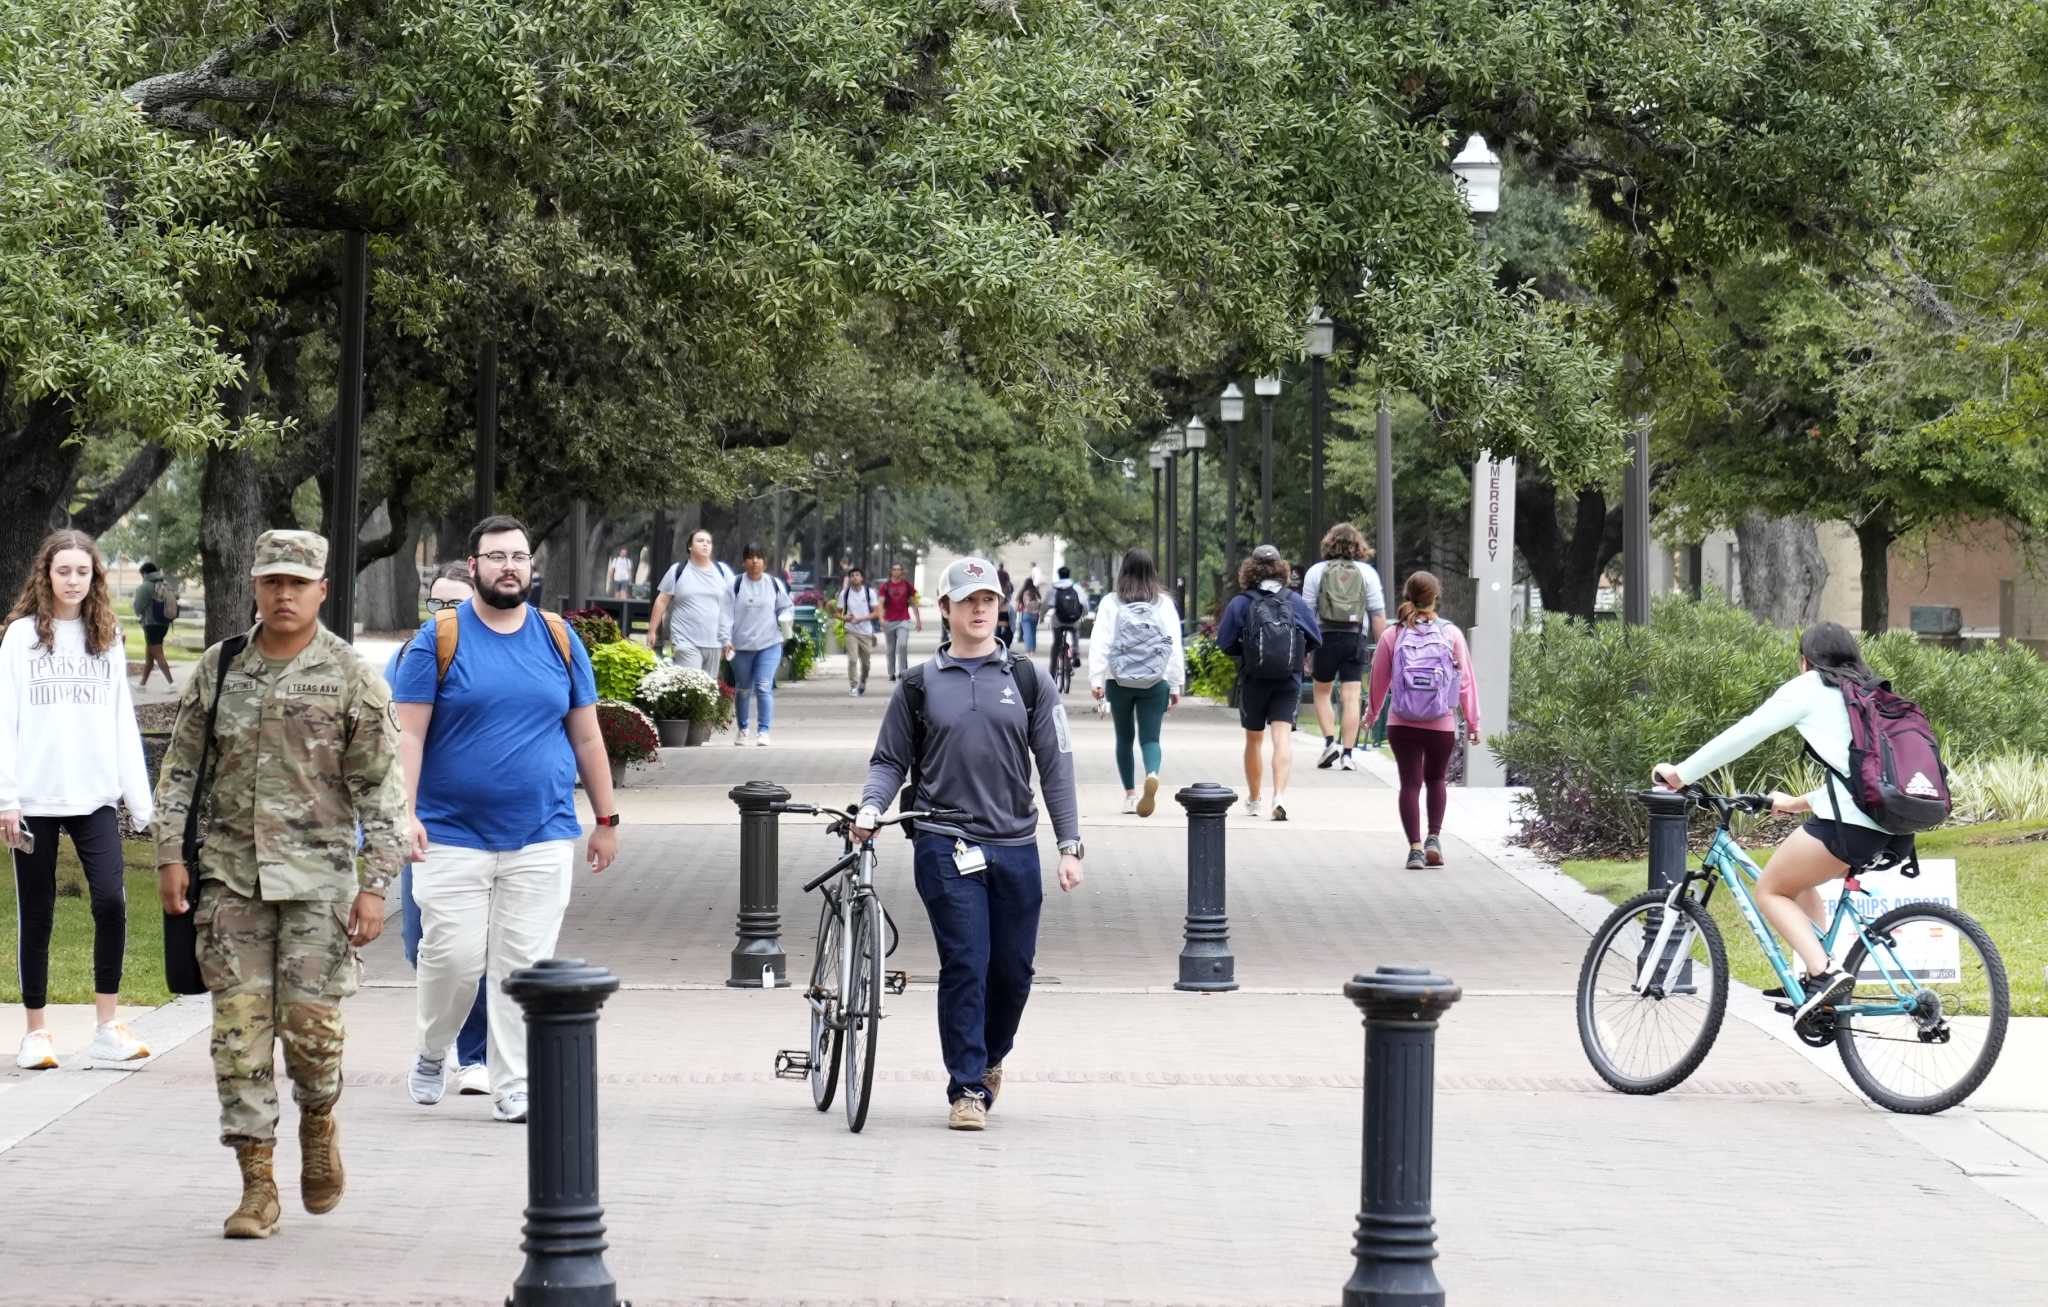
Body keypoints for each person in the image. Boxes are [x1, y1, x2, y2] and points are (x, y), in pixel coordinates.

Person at [152, 529, 407, 1239]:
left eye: (298, 582)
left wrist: (375, 883)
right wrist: (170, 853)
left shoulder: (351, 674)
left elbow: (383, 790)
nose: (284, 593)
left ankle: (320, 1119)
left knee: (312, 1035)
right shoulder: (221, 665)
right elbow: (180, 768)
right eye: (272, 581)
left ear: (323, 589)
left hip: (318, 885)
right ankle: (257, 1185)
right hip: (229, 880)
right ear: (256, 587)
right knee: (237, 1039)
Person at [393, 515, 621, 1124]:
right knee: (453, 959)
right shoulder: (437, 640)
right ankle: (433, 1049)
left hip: (541, 833)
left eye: (519, 556)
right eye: (496, 557)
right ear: (474, 568)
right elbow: (407, 738)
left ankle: (512, 1079)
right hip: (450, 834)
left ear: (531, 567)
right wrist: (404, 814)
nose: (509, 567)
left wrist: (607, 817)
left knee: (522, 965)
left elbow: (588, 737)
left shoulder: (559, 640)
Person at [854, 556, 1083, 1132]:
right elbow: (889, 760)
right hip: (943, 839)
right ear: (946, 609)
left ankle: (992, 1055)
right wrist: (872, 806)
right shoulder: (917, 685)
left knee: (1014, 971)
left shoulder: (1029, 680)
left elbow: (1056, 764)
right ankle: (967, 1088)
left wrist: (1070, 843)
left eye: (988, 600)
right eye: (968, 601)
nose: (980, 610)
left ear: (999, 608)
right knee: (966, 960)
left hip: (1015, 843)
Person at [1650, 621, 1913, 1025]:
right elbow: (1862, 778)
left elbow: (1745, 733)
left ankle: (1824, 973)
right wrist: (1796, 803)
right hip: (1894, 828)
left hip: (1850, 827)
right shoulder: (1868, 692)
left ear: (1805, 660)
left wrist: (1681, 773)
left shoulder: (1810, 686)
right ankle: (1815, 980)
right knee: (1799, 880)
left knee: (1771, 889)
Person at [2, 530, 155, 1070]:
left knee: (111, 901)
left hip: (93, 796)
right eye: (62, 570)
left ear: (94, 578)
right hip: (34, 800)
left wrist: (140, 801)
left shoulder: (106, 638)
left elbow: (121, 721)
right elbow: (5, 720)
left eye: (82, 571)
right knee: (37, 914)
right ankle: (36, 1032)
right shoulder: (21, 637)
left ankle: (106, 1026)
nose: (72, 580)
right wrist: (7, 799)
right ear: (46, 574)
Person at [382, 565, 489, 1098]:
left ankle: (474, 1056)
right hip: (419, 823)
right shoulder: (405, 659)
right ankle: (437, 1038)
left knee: (474, 947)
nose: (444, 615)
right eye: (436, 604)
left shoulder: (490, 658)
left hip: (477, 829)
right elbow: (380, 743)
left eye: (455, 604)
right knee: (421, 942)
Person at [1367, 572, 1479, 870]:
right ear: (1435, 597)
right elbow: (1465, 682)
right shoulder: (1451, 633)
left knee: (1410, 784)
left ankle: (1415, 849)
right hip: (1441, 722)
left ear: (1407, 596)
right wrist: (1473, 722)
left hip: (1401, 722)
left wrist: (1371, 714)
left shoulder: (1393, 634)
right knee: (1436, 779)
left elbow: (1379, 679)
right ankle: (1434, 839)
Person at [1216, 545, 1320, 821]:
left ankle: (1254, 799)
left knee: (1254, 739)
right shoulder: (1294, 601)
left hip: (1253, 679)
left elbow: (1224, 643)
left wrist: (1247, 652)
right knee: (1282, 737)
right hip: (1288, 678)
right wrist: (1294, 653)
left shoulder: (1241, 602)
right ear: (1281, 568)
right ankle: (1280, 796)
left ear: (1249, 569)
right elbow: (1315, 638)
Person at [1087, 549, 1184, 817]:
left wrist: (1097, 679)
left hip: (1119, 680)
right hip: (1155, 680)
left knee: (1124, 737)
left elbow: (1101, 642)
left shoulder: (1110, 602)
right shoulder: (1163, 603)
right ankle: (1152, 773)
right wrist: (1175, 684)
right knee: (1151, 738)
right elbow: (1172, 644)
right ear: (1153, 572)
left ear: (1123, 572)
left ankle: (1130, 795)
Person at [1302, 524, 1388, 772]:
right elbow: (1378, 615)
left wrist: (1306, 650)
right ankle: (1348, 755)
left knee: (1322, 692)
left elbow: (1307, 613)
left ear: (1328, 544)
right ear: (1358, 546)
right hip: (1354, 639)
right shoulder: (1367, 573)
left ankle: (1330, 743)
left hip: (1324, 638)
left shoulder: (1316, 572)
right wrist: (1384, 651)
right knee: (1351, 697)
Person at [730, 544, 793, 746]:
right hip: (741, 646)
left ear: (765, 562)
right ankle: (742, 728)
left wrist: (785, 618)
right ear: (744, 561)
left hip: (769, 644)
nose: (754, 561)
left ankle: (763, 730)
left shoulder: (774, 584)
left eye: (758, 557)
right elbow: (723, 614)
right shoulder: (735, 584)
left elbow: (786, 606)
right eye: (750, 557)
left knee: (764, 686)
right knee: (743, 689)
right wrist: (725, 640)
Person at [646, 529, 733, 672]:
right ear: (690, 547)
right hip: (685, 640)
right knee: (692, 683)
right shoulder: (678, 571)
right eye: (700, 541)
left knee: (708, 688)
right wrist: (652, 630)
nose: (705, 544)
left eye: (708, 542)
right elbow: (662, 601)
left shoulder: (723, 571)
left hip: (715, 641)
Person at [834, 566, 880, 696]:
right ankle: (853, 686)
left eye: (857, 575)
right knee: (852, 660)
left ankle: (863, 681)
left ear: (862, 578)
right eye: (852, 575)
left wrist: (861, 619)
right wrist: (844, 618)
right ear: (850, 579)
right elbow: (837, 613)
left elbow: (876, 613)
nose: (855, 577)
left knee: (866, 663)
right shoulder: (845, 593)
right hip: (850, 631)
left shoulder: (869, 592)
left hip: (866, 632)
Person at [132, 560, 176, 689]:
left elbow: (138, 607)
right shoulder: (164, 583)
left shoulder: (145, 587)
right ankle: (142, 684)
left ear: (144, 573)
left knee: (157, 654)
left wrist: (137, 610)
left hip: (151, 624)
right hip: (164, 623)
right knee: (150, 654)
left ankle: (172, 683)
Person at [876, 562, 922, 681]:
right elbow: (880, 603)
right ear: (891, 571)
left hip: (903, 620)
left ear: (902, 572)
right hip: (889, 621)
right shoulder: (885, 586)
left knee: (902, 644)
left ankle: (903, 671)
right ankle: (891, 672)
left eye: (898, 569)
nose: (896, 571)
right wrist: (881, 618)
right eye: (894, 569)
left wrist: (918, 620)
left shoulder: (907, 585)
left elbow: (913, 603)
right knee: (891, 648)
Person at [1044, 565, 1090, 680]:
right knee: (1075, 633)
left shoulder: (1053, 588)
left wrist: (1041, 616)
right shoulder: (1076, 587)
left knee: (1056, 644)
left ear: (1059, 575)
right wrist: (1083, 615)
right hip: (1073, 620)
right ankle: (1076, 654)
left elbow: (1046, 605)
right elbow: (1084, 604)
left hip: (1059, 621)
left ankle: (1052, 671)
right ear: (1069, 575)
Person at [1015, 576, 1043, 654]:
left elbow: (1018, 604)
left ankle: (1028, 650)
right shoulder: (1036, 592)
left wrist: (1016, 611)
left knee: (1027, 633)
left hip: (1026, 614)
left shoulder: (1024, 592)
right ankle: (1033, 649)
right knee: (1033, 632)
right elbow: (1041, 602)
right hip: (1035, 615)